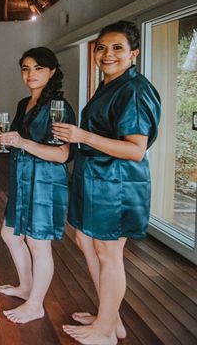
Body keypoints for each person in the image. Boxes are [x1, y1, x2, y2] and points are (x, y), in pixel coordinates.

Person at [53, 21, 161, 345]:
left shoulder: (135, 89)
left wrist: (81, 135)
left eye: (117, 48)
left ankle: (105, 331)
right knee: (86, 242)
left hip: (118, 184)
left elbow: (136, 149)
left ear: (134, 54)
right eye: (102, 48)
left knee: (108, 253)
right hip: (97, 180)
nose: (107, 54)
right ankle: (110, 319)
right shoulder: (109, 84)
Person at [0, 47, 75, 323]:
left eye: (38, 68)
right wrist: (10, 142)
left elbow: (63, 154)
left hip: (45, 182)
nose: (30, 74)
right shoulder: (23, 103)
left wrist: (22, 143)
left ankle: (36, 304)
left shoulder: (60, 108)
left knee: (38, 244)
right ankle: (26, 286)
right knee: (10, 234)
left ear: (52, 71)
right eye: (26, 68)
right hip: (22, 178)